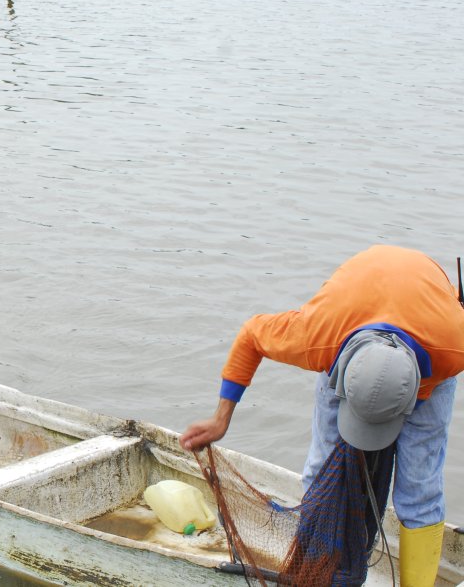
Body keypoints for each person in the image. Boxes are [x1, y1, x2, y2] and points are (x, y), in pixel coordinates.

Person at [180, 245, 464, 586]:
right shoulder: (316, 337)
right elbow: (251, 335)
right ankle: (321, 570)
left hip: (432, 347)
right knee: (322, 470)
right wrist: (220, 419)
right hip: (350, 334)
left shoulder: (454, 348)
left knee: (420, 488)